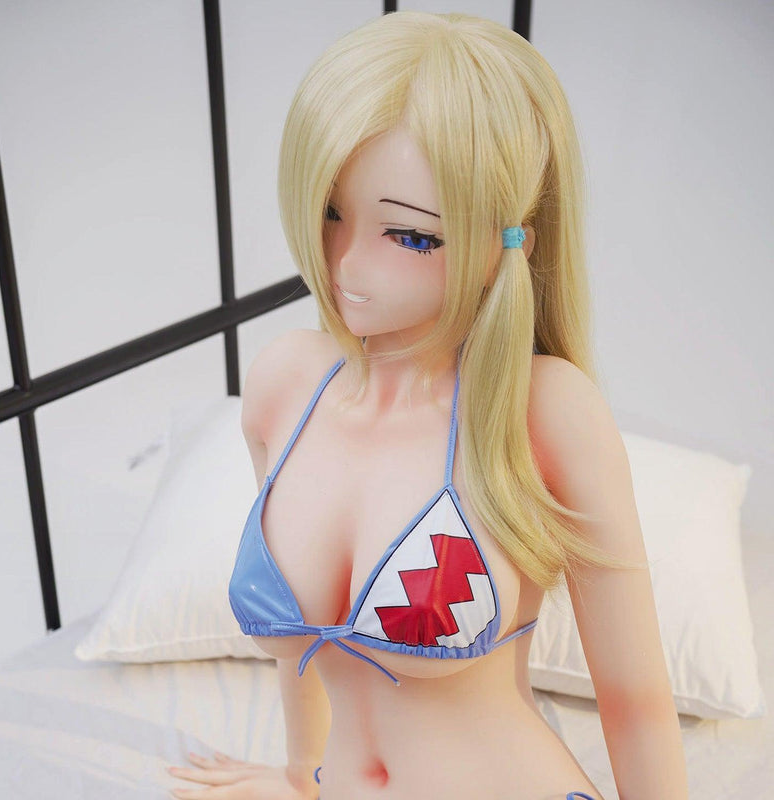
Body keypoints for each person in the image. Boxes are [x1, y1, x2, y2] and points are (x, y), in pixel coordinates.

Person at [166, 11, 688, 800]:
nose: (346, 263)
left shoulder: (543, 410)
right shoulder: (285, 383)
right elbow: (306, 655)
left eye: (410, 236)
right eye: (329, 211)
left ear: (507, 242)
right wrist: (302, 779)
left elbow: (637, 703)